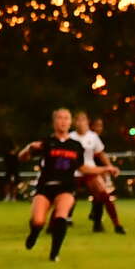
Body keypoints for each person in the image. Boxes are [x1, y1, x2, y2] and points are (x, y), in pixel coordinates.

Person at [19, 109, 96, 261]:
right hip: (46, 187)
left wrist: (105, 169)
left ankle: (54, 253)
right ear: (54, 122)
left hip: (66, 186)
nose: (63, 121)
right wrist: (28, 148)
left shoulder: (76, 145)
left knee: (61, 216)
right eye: (59, 118)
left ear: (70, 122)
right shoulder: (46, 142)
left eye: (66, 118)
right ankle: (34, 232)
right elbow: (22, 157)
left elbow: (82, 167)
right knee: (38, 221)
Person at [73, 111, 124, 234]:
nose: (81, 123)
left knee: (104, 196)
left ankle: (116, 225)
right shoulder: (70, 137)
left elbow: (101, 154)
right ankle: (53, 224)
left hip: (91, 171)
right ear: (74, 122)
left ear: (87, 122)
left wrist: (110, 166)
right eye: (78, 120)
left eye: (83, 120)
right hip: (74, 172)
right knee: (66, 197)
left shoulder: (92, 137)